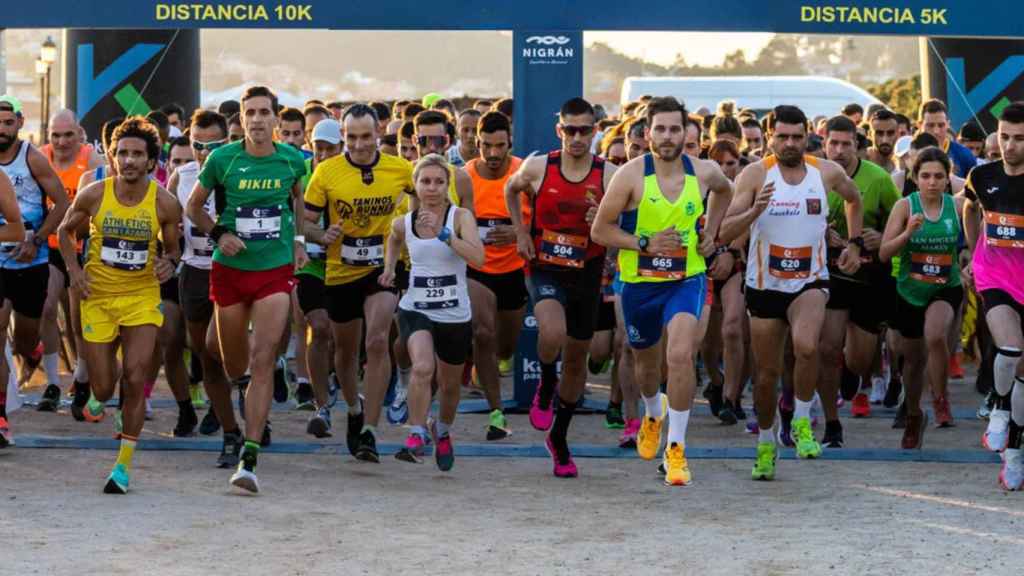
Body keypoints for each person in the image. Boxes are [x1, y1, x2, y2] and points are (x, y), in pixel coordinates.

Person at [592, 96, 733, 486]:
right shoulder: (631, 176)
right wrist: (644, 244)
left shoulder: (703, 172)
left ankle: (677, 449)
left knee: (681, 354)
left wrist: (712, 233)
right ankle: (654, 410)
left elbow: (726, 190)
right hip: (640, 284)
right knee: (647, 366)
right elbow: (600, 231)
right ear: (647, 132)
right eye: (661, 129)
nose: (668, 136)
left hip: (687, 278)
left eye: (675, 129)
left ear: (686, 132)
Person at [720, 104, 863, 481]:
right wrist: (754, 213)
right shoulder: (754, 175)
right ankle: (766, 442)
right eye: (782, 137)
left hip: (811, 280)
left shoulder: (825, 172)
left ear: (807, 137)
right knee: (766, 376)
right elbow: (725, 229)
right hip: (766, 284)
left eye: (797, 137)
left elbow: (854, 198)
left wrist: (854, 243)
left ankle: (801, 418)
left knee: (807, 346)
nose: (789, 144)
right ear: (770, 137)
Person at [187, 86, 308, 493]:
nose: (257, 119)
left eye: (264, 112)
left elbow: (298, 205)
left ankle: (249, 456)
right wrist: (220, 234)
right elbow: (193, 206)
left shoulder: (293, 160)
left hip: (273, 270)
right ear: (241, 119)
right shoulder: (223, 158)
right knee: (233, 364)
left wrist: (300, 244)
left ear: (276, 118)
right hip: (230, 271)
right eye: (250, 112)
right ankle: (250, 384)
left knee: (261, 359)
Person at [58, 116, 181, 493]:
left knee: (136, 376)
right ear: (112, 157)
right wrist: (74, 270)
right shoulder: (94, 194)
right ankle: (98, 398)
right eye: (122, 153)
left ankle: (122, 468)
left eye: (137, 154)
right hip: (98, 297)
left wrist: (169, 262)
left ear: (150, 161)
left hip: (141, 297)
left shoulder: (165, 203)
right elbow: (64, 231)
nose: (129, 160)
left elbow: (175, 247)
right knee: (106, 387)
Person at [505, 97, 617, 477]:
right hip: (545, 266)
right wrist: (521, 232)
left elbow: (627, 215)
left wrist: (603, 216)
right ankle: (546, 384)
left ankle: (560, 437)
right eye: (571, 129)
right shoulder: (539, 167)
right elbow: (510, 189)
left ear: (595, 131)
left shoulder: (610, 173)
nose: (578, 137)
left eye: (585, 130)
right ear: (560, 131)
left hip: (587, 270)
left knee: (577, 361)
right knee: (551, 331)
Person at [303, 103, 413, 463]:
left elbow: (429, 200)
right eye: (352, 138)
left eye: (366, 137)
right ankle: (353, 408)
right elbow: (304, 224)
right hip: (340, 271)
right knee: (344, 353)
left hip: (382, 268)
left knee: (378, 340)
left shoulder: (400, 169)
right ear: (344, 137)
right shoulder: (326, 173)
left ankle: (370, 428)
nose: (360, 145)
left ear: (378, 134)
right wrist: (322, 234)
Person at [380, 154, 483, 470]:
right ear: (415, 185)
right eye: (425, 181)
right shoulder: (404, 222)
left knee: (450, 386)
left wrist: (444, 234)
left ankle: (443, 431)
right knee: (423, 367)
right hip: (416, 308)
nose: (432, 188)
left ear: (447, 185)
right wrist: (388, 268)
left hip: (454, 313)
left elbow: (479, 258)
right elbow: (394, 239)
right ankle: (415, 432)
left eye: (439, 181)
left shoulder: (460, 217)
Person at [817, 115, 900, 446]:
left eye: (845, 144)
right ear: (824, 143)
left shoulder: (878, 179)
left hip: (868, 278)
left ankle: (853, 373)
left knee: (858, 358)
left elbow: (900, 219)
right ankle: (832, 423)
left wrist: (881, 237)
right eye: (832, 143)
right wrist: (821, 232)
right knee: (827, 349)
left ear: (857, 145)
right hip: (831, 274)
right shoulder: (812, 176)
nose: (838, 151)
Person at [168, 109, 243, 467]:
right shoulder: (180, 178)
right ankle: (230, 428)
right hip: (195, 271)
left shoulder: (242, 173)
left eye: (214, 145)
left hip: (237, 271)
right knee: (205, 356)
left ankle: (257, 418)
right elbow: (167, 224)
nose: (204, 153)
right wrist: (165, 254)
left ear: (228, 142)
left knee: (232, 351)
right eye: (198, 145)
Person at [880, 146, 964, 450]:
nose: (932, 182)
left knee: (936, 335)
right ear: (915, 178)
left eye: (939, 176)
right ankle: (915, 414)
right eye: (926, 176)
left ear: (947, 179)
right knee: (912, 362)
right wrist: (906, 234)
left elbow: (977, 239)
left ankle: (941, 399)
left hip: (945, 286)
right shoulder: (905, 207)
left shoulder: (957, 205)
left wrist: (971, 266)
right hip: (910, 291)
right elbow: (884, 252)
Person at [962, 101, 1024, 490]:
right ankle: (998, 410)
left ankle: (1014, 451)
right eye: (1004, 136)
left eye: (1019, 139)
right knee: (1011, 349)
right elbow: (969, 208)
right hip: (994, 278)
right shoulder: (981, 175)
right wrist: (971, 251)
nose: (1010, 145)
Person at [0, 96, 70, 415]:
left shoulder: (33, 159)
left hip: (31, 259)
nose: (1, 130)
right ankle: (1, 415)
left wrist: (37, 239)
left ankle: (34, 352)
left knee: (25, 339)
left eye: (7, 123)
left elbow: (61, 203)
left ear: (19, 123)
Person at [463, 110, 523, 440]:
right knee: (483, 334)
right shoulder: (464, 176)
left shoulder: (523, 173)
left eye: (500, 146)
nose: (494, 154)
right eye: (487, 146)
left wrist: (517, 231)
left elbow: (542, 219)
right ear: (477, 143)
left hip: (513, 268)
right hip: (478, 268)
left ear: (510, 143)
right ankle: (496, 412)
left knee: (505, 346)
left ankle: (497, 362)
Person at [298, 118, 343, 438]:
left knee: (342, 337)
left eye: (330, 148)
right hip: (308, 264)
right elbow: (291, 215)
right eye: (319, 148)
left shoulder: (347, 173)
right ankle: (321, 404)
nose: (324, 154)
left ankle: (338, 381)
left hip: (344, 264)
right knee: (319, 326)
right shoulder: (298, 172)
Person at [918, 99, 977, 178]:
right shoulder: (909, 155)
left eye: (941, 125)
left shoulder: (964, 155)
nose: (936, 131)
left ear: (948, 124)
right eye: (930, 125)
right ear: (919, 125)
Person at [867, 108, 900, 173]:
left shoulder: (903, 165)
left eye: (890, 133)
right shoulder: (859, 161)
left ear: (898, 134)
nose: (885, 140)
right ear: (870, 134)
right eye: (879, 133)